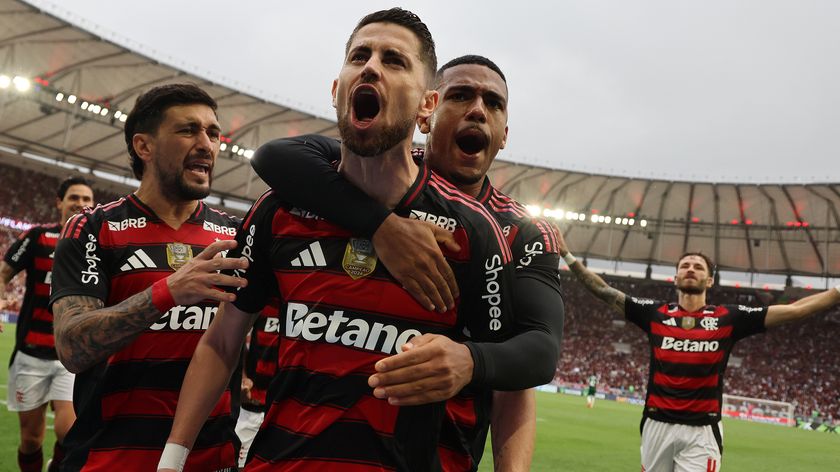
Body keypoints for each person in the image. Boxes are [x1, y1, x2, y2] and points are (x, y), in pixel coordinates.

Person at [158, 9, 519, 471]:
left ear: (427, 105)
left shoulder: (472, 231)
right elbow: (223, 341)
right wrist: (172, 458)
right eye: (359, 56)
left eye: (394, 61)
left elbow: (506, 375)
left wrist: (470, 360)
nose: (370, 67)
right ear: (337, 90)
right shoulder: (278, 211)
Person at [250, 55, 565, 470]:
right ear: (427, 112)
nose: (477, 110)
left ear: (504, 134)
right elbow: (275, 156)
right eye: (461, 95)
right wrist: (382, 224)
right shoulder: (367, 180)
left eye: (493, 103)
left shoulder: (520, 231)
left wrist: (471, 360)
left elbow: (534, 356)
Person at [49, 83, 248, 471]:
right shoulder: (92, 228)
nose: (207, 144)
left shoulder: (239, 236)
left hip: (210, 458)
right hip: (109, 456)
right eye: (188, 130)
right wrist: (168, 292)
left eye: (213, 132)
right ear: (144, 147)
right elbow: (72, 346)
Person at [556, 236, 840, 472]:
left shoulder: (729, 318)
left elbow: (796, 310)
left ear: (710, 280)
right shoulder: (654, 312)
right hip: (657, 424)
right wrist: (567, 255)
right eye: (685, 265)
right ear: (676, 276)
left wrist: (837, 291)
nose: (691, 269)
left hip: (702, 431)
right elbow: (604, 291)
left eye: (698, 266)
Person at [1, 176, 92, 472]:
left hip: (71, 358)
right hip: (31, 355)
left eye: (86, 200)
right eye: (74, 198)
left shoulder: (96, 247)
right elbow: (2, 273)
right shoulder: (38, 237)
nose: (81, 204)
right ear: (60, 203)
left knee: (69, 434)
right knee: (31, 439)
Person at [234, 298, 280, 468]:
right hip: (252, 405)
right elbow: (236, 340)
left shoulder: (308, 306)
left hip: (285, 409)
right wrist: (243, 378)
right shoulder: (262, 300)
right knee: (241, 465)